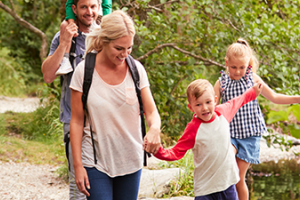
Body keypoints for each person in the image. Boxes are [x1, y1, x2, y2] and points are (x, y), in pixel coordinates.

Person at [69, 10, 161, 199]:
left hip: (130, 160)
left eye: (129, 48)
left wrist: (155, 129)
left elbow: (151, 112)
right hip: (95, 161)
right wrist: (77, 165)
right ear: (104, 41)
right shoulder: (83, 72)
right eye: (119, 48)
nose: (125, 54)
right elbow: (77, 121)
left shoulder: (136, 70)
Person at [213, 38, 300, 200]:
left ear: (249, 65)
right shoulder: (221, 82)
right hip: (229, 134)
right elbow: (212, 108)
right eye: (233, 67)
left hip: (249, 136)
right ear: (226, 62)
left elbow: (274, 97)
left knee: (238, 178)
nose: (238, 71)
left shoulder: (252, 79)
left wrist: (297, 98)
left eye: (242, 67)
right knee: (227, 168)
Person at [154, 79, 263, 200]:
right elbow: (175, 152)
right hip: (205, 189)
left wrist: (253, 91)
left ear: (215, 100)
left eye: (208, 102)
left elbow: (239, 100)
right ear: (191, 107)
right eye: (198, 104)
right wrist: (157, 150)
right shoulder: (193, 129)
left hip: (227, 183)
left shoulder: (223, 112)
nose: (204, 108)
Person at [41, 0, 100, 199]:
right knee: (79, 187)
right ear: (74, 9)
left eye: (93, 6)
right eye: (84, 7)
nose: (89, 12)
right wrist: (65, 42)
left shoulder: (105, 36)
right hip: (73, 120)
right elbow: (48, 76)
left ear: (99, 7)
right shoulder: (63, 36)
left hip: (103, 121)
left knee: (103, 183)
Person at [55, 0, 112, 75]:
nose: (89, 11)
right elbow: (69, 5)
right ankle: (65, 59)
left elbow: (107, 6)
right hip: (78, 16)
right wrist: (72, 24)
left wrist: (106, 24)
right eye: (84, 7)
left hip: (100, 16)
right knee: (65, 25)